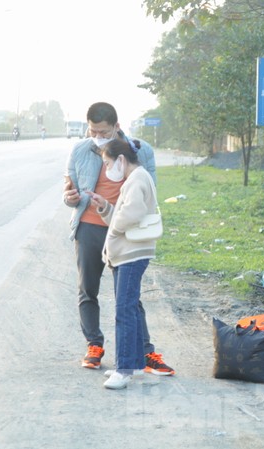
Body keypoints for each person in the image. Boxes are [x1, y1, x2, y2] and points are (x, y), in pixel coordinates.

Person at [63, 102, 174, 376]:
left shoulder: (140, 150)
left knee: (128, 295)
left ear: (117, 127)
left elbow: (151, 191)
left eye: (103, 131)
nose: (98, 137)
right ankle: (94, 346)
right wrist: (70, 198)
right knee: (87, 288)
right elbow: (68, 189)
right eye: (93, 131)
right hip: (90, 225)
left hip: (125, 230)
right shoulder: (80, 149)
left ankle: (146, 352)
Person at [86, 139, 158, 389]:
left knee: (124, 310)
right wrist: (106, 207)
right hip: (130, 252)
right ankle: (135, 362)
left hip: (131, 254)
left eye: (107, 163)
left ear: (121, 160)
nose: (107, 169)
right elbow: (125, 212)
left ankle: (124, 369)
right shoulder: (136, 177)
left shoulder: (137, 178)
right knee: (131, 310)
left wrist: (114, 228)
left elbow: (132, 213)